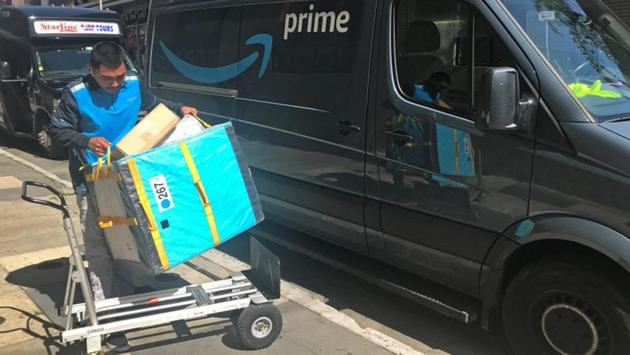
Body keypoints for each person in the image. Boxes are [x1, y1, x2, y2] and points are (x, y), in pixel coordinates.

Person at [50, 41, 197, 352]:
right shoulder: (74, 94)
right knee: (99, 243)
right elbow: (58, 131)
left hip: (131, 174)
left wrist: (178, 108)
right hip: (93, 178)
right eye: (108, 79)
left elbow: (155, 104)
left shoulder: (132, 83)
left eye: (119, 77)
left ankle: (131, 286)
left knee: (133, 233)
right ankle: (105, 312)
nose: (116, 84)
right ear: (92, 72)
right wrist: (86, 140)